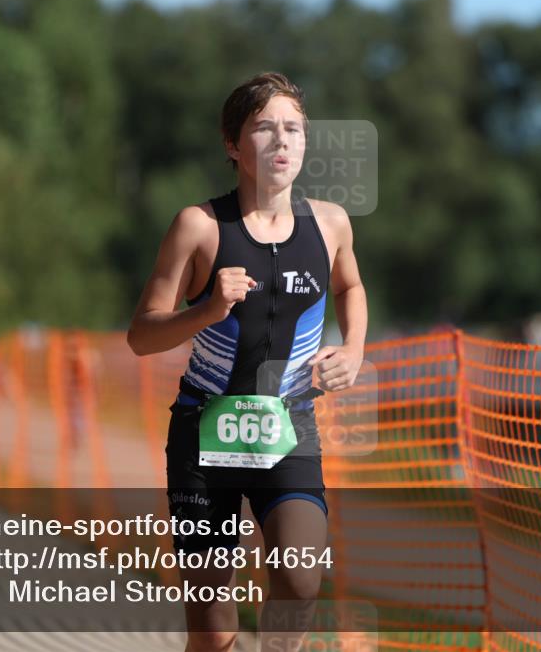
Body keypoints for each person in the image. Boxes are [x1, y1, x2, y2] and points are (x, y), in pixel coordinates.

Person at [128, 72, 368, 652]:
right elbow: (141, 335)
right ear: (233, 145)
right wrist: (208, 307)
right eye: (264, 128)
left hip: (288, 429)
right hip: (204, 436)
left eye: (293, 128)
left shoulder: (330, 223)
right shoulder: (199, 227)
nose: (281, 141)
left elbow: (351, 286)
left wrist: (355, 347)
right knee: (213, 633)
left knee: (300, 576)